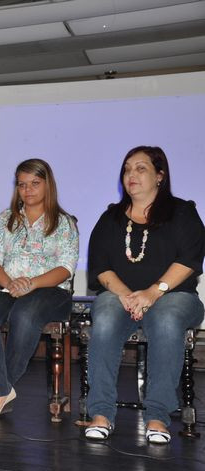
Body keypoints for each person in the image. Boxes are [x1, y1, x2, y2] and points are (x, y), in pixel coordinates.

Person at [84, 146, 204, 444]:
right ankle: (100, 413)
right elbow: (100, 267)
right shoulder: (110, 217)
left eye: (140, 168)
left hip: (174, 296)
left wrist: (153, 292)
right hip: (123, 296)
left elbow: (190, 260)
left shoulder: (182, 211)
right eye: (127, 169)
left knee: (165, 318)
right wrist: (127, 296)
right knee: (106, 311)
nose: (131, 175)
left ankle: (157, 416)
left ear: (159, 176)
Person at [0, 159, 79, 419]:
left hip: (51, 291)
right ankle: (2, 389)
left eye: (35, 183)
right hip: (8, 286)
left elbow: (65, 268)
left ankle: (0, 388)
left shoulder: (63, 222)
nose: (28, 190)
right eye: (22, 185)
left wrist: (31, 283)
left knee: (25, 313)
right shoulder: (5, 220)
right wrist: (10, 283)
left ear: (48, 185)